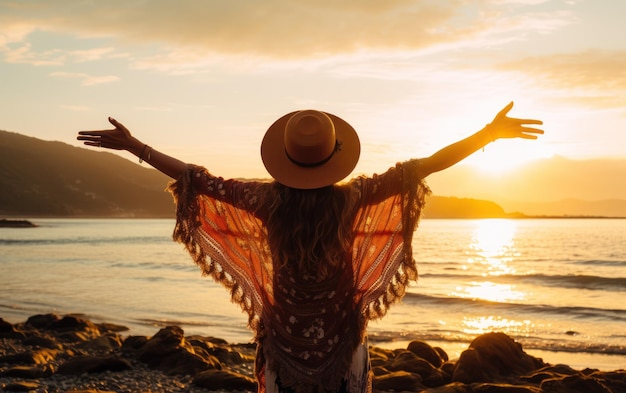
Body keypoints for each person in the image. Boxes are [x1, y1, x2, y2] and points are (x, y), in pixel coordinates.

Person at [77, 102, 543, 393]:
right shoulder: (352, 197)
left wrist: (136, 145)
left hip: (282, 339)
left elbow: (194, 177)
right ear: (334, 156)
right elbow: (423, 167)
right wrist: (488, 134)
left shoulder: (263, 199)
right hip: (343, 339)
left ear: (285, 158)